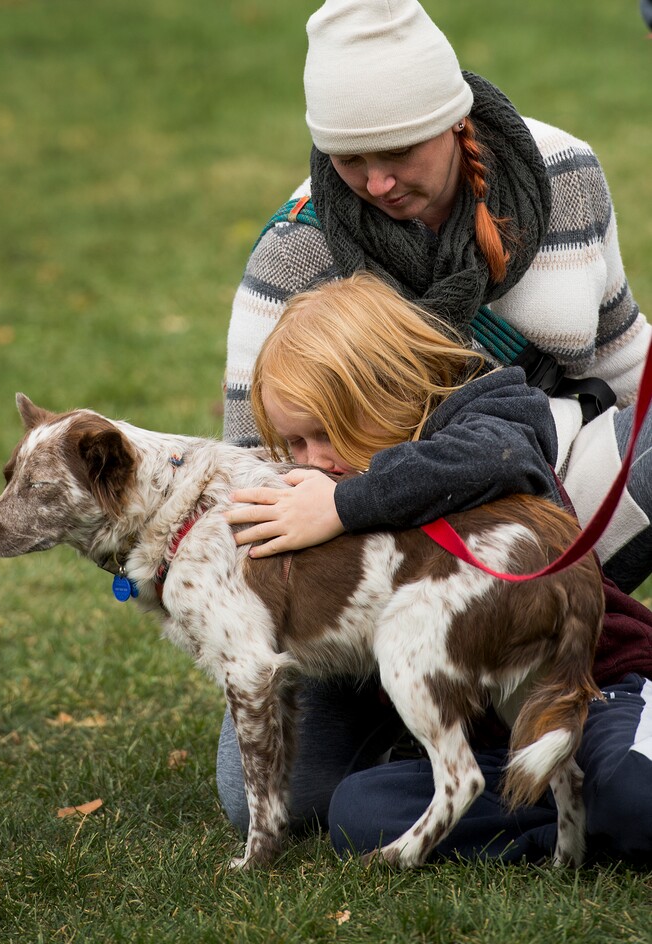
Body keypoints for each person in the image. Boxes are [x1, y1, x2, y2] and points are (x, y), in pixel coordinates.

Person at [222, 271, 652, 864]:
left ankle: (600, 797)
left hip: (586, 690)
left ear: (387, 393)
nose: (313, 461)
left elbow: (502, 456)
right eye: (295, 445)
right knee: (360, 813)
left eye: (327, 433)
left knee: (634, 791)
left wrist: (344, 506)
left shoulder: (490, 411)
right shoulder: (323, 494)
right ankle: (565, 814)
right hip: (488, 736)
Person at [224, 0, 652, 594]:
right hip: (389, 544)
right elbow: (256, 461)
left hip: (561, 492)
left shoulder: (565, 174)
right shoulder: (296, 249)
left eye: (399, 151)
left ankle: (573, 634)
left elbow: (621, 358)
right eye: (349, 160)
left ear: (455, 120)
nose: (377, 184)